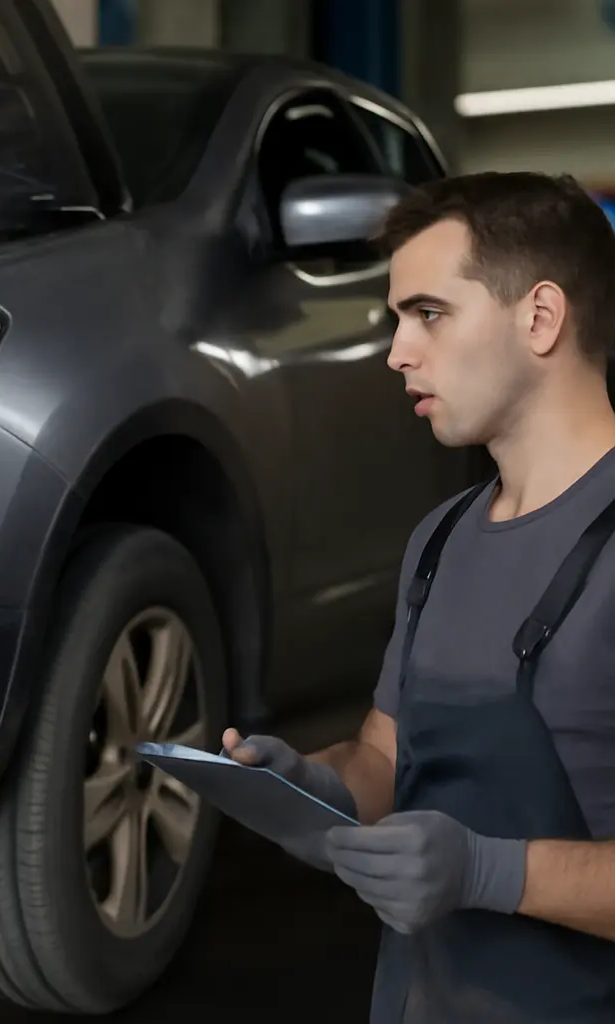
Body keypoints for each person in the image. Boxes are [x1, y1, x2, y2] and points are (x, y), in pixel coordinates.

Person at [223, 171, 615, 1023]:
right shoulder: (439, 540)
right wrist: (311, 786)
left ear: (540, 318)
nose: (397, 352)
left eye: (428, 314)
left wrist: (487, 873)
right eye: (398, 319)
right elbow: (389, 760)